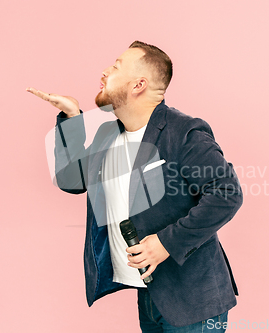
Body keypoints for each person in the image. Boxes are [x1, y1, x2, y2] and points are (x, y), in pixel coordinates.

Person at [26, 40, 243, 332]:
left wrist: (166, 243)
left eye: (115, 67)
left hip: (193, 300)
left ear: (138, 84)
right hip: (150, 294)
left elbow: (226, 193)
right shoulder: (108, 134)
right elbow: (72, 181)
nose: (104, 72)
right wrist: (71, 119)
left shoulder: (184, 132)